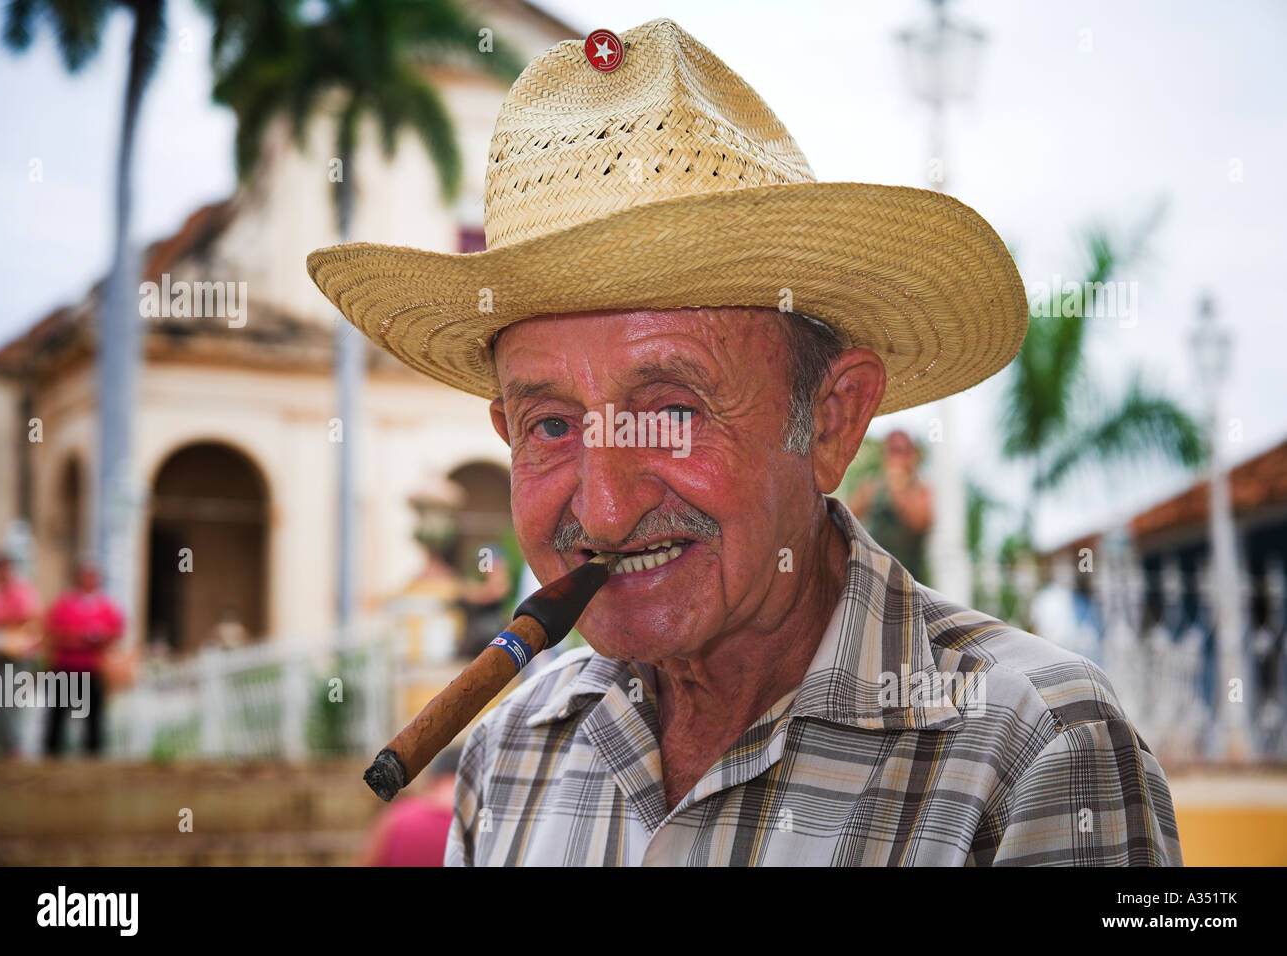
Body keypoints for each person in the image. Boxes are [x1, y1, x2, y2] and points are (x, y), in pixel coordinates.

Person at [306, 19, 1181, 865]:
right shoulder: (507, 758)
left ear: (832, 421)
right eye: (551, 426)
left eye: (674, 411)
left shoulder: (1038, 755)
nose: (604, 512)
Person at [43, 561, 123, 755]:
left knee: (93, 717)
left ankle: (93, 756)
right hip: (65, 668)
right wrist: (80, 640)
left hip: (91, 669)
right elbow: (53, 633)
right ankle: (52, 755)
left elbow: (114, 633)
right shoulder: (64, 604)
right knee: (58, 715)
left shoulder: (105, 606)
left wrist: (92, 640)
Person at [848, 430, 933, 583]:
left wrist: (898, 490)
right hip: (875, 578)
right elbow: (846, 519)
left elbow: (920, 523)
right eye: (892, 451)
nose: (896, 458)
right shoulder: (872, 487)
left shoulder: (922, 490)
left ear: (912, 455)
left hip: (910, 581)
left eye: (901, 451)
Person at [0, 551, 41, 758]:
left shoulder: (21, 590)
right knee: (0, 702)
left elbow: (28, 615)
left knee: (10, 701)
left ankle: (13, 748)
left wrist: (0, 623)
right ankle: (5, 748)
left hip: (17, 654)